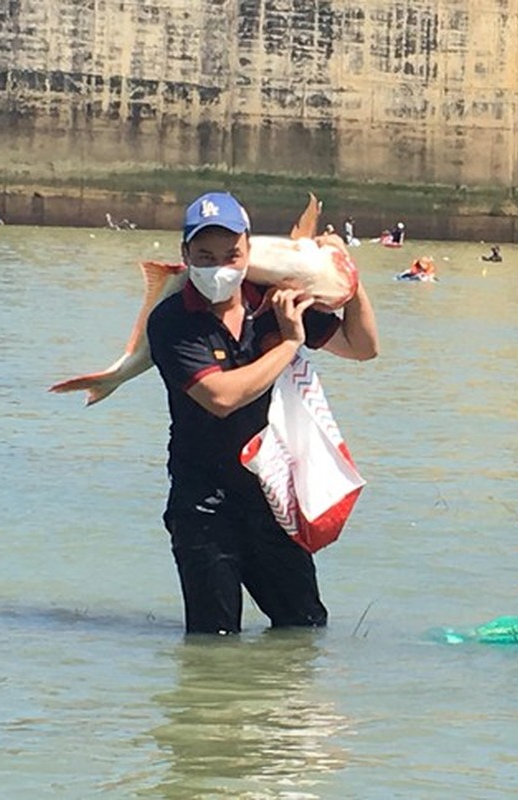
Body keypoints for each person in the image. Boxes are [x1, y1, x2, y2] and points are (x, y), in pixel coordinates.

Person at [146, 191, 379, 635]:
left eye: (231, 254)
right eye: (206, 256)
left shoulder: (272, 303)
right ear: (186, 256)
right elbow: (221, 397)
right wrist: (290, 343)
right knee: (213, 641)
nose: (220, 268)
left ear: (249, 251)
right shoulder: (174, 320)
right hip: (204, 505)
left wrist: (348, 278)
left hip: (270, 498)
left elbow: (363, 347)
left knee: (304, 627)